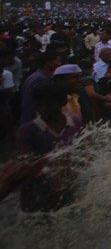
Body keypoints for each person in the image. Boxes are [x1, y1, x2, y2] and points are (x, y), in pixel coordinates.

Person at [14, 83, 84, 212]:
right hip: (39, 192)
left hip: (70, 185)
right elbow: (26, 163)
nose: (44, 109)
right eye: (39, 105)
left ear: (62, 102)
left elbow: (83, 151)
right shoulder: (27, 131)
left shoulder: (75, 123)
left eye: (49, 104)